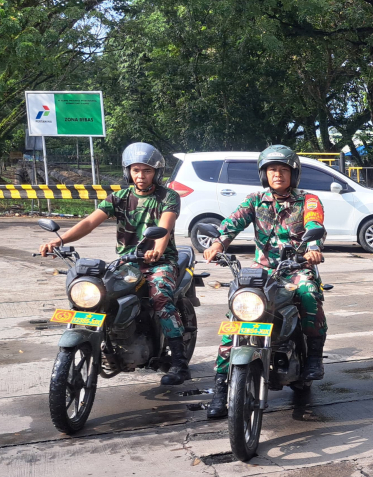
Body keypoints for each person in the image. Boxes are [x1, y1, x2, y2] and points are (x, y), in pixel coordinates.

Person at [39, 142, 189, 385]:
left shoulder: (167, 196)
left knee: (160, 297)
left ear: (157, 173)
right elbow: (89, 223)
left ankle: (180, 362)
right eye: (136, 170)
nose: (141, 176)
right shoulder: (119, 198)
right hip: (126, 262)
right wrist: (59, 241)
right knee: (97, 293)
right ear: (127, 171)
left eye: (147, 170)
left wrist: (156, 251)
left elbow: (165, 225)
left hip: (160, 262)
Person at [204, 145, 327, 419]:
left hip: (296, 267)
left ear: (293, 174)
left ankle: (314, 357)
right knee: (235, 313)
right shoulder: (254, 200)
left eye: (284, 170)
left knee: (308, 292)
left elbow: (314, 224)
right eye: (272, 170)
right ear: (264, 174)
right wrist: (217, 243)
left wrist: (313, 248)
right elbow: (232, 224)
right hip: (262, 269)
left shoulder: (308, 200)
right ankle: (221, 388)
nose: (278, 175)